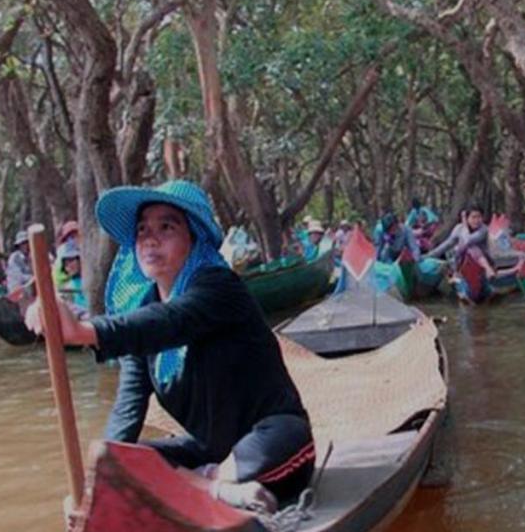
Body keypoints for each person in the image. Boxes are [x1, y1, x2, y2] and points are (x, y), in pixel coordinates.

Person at [25, 179, 315, 513]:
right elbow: (128, 408)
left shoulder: (219, 287)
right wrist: (99, 482)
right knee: (120, 461)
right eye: (142, 230)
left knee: (281, 440)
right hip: (211, 453)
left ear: (193, 237)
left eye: (167, 227)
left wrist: (82, 331)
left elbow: (171, 321)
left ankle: (208, 485)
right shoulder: (141, 316)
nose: (150, 239)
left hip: (270, 444)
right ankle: (216, 489)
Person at [55, 239, 88, 313]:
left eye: (71, 260)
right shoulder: (68, 288)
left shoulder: (90, 279)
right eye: (66, 264)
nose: (69, 266)